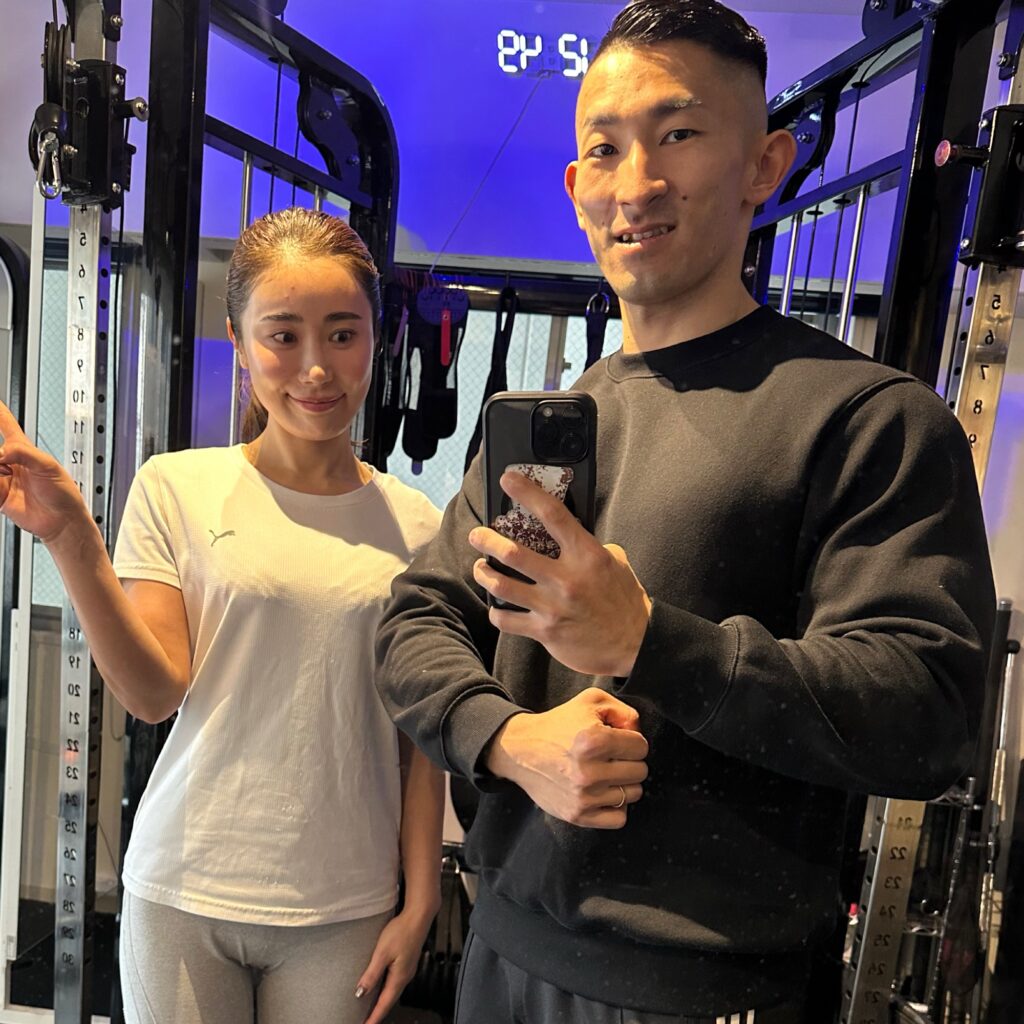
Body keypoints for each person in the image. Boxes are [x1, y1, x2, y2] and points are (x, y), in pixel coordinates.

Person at [374, 2, 996, 1022]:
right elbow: (415, 618)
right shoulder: (549, 425)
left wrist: (649, 641)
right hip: (502, 962)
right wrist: (506, 739)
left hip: (706, 993)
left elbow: (925, 714)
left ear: (765, 165)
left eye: (679, 134)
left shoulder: (865, 419)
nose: (637, 182)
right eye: (604, 149)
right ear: (575, 187)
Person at [0, 208, 444, 1024]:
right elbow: (152, 693)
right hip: (185, 889)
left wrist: (421, 903)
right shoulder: (177, 488)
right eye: (283, 336)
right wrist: (69, 536)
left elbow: (422, 740)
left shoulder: (418, 525)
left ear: (377, 339)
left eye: (342, 334)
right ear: (239, 343)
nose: (316, 367)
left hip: (343, 904)